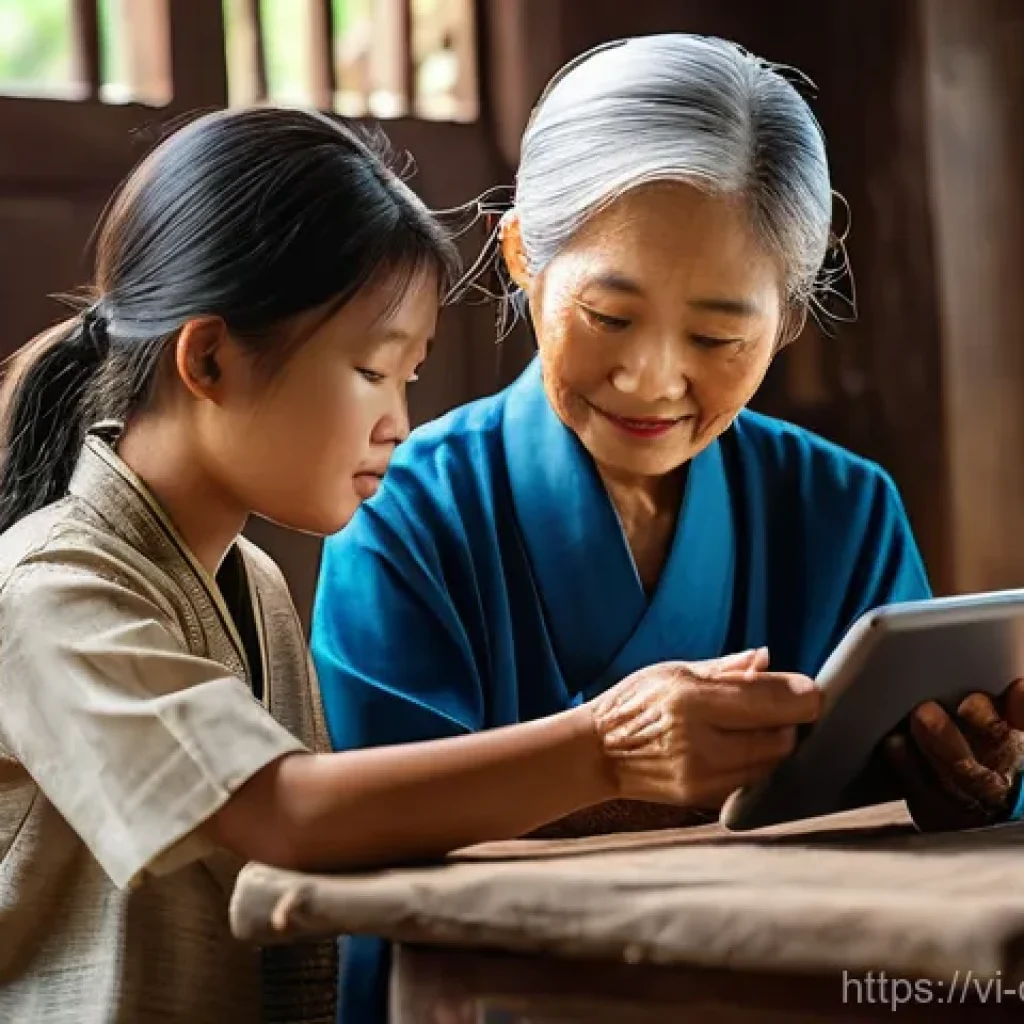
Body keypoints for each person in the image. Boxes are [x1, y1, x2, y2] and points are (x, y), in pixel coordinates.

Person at [0, 107, 824, 1024]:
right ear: (211, 358)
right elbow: (286, 815)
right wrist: (611, 746)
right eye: (372, 372)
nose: (398, 421)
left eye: (410, 379)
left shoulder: (251, 582)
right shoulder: (50, 588)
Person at [310, 34, 1024, 1021]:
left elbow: (907, 806)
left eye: (718, 335)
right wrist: (626, 766)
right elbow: (370, 824)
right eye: (610, 317)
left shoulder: (842, 507)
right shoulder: (404, 506)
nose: (650, 380)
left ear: (787, 317)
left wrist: (964, 784)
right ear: (522, 258)